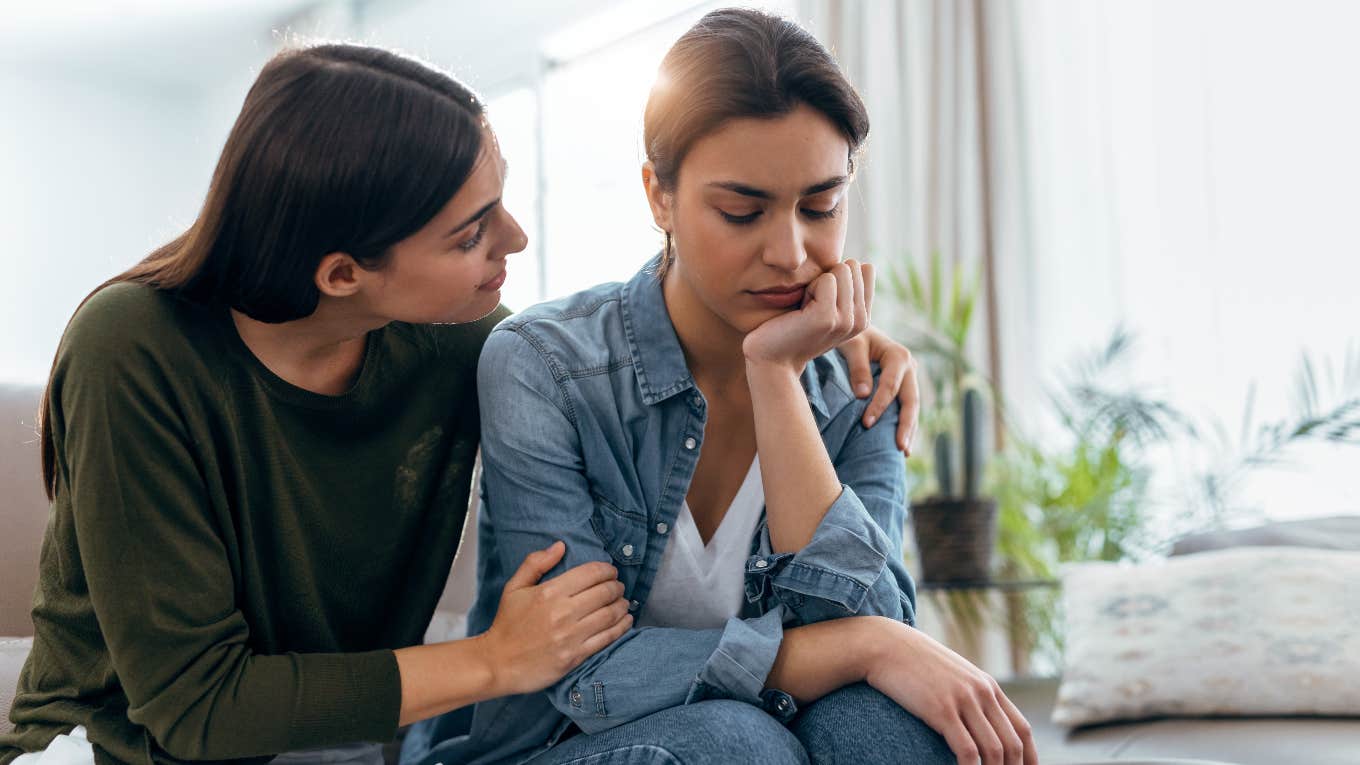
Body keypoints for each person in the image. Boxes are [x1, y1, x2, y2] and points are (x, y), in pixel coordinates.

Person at [1, 42, 922, 765]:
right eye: (472, 231)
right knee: (738, 745)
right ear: (343, 275)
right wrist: (494, 660)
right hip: (125, 752)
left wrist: (829, 346)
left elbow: (615, 345)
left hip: (357, 748)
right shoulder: (133, 346)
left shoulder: (460, 338)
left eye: (503, 204)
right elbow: (193, 703)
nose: (515, 239)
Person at [403, 9, 1037, 765]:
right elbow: (582, 674)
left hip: (754, 736)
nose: (791, 252)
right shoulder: (547, 365)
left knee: (893, 730)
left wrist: (775, 380)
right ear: (659, 197)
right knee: (740, 743)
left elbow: (880, 631)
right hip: (552, 747)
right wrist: (859, 644)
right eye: (742, 211)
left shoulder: (861, 386)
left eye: (821, 206)